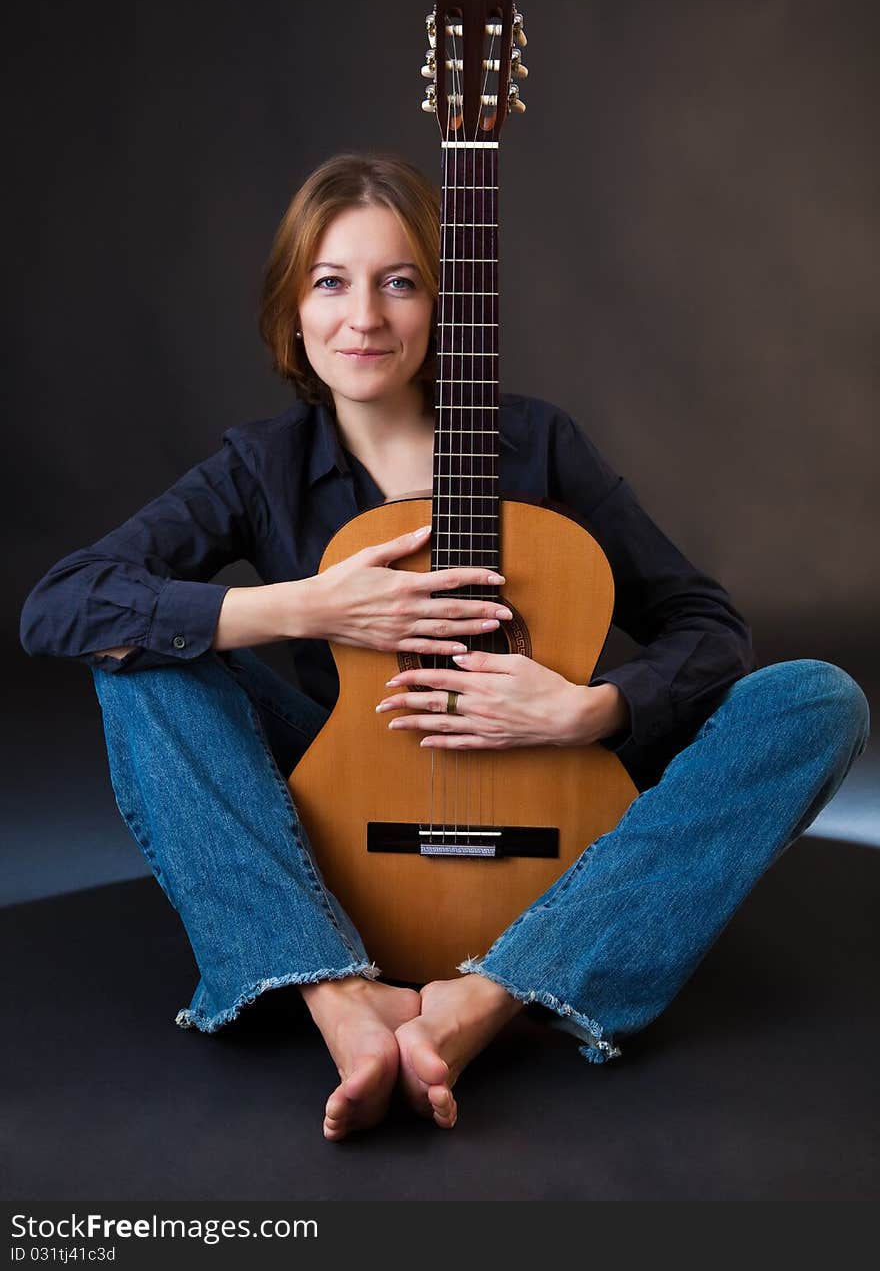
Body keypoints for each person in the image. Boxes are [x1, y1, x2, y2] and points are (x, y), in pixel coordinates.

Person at [20, 152, 869, 1142]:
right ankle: (339, 994)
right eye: (331, 282)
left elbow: (706, 623)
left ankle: (496, 991)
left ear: (442, 307)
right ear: (292, 310)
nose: (365, 317)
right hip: (350, 805)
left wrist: (587, 708)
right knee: (140, 660)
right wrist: (309, 608)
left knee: (818, 698)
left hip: (551, 778)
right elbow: (61, 605)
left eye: (400, 281)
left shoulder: (537, 445)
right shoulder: (260, 469)